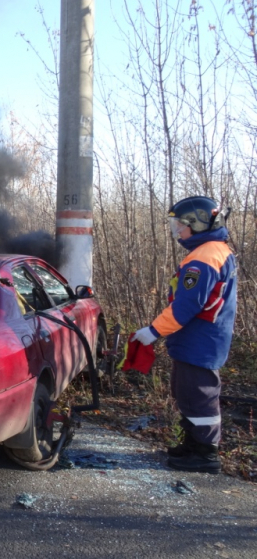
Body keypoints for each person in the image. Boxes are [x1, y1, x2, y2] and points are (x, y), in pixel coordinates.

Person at [132, 196, 237, 474]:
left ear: (197, 223)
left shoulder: (204, 257)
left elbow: (187, 305)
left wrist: (153, 331)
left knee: (199, 395)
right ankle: (193, 444)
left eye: (180, 225)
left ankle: (205, 454)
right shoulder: (210, 250)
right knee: (187, 393)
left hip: (200, 340)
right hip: (198, 339)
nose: (177, 230)